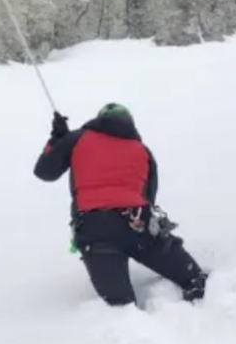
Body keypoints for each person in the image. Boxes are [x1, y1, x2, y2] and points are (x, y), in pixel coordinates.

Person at [33, 103, 208, 307]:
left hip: (95, 228)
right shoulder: (142, 150)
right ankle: (199, 296)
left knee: (120, 305)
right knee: (193, 278)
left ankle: (129, 322)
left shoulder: (77, 138)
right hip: (138, 221)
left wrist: (57, 139)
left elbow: (45, 171)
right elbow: (149, 196)